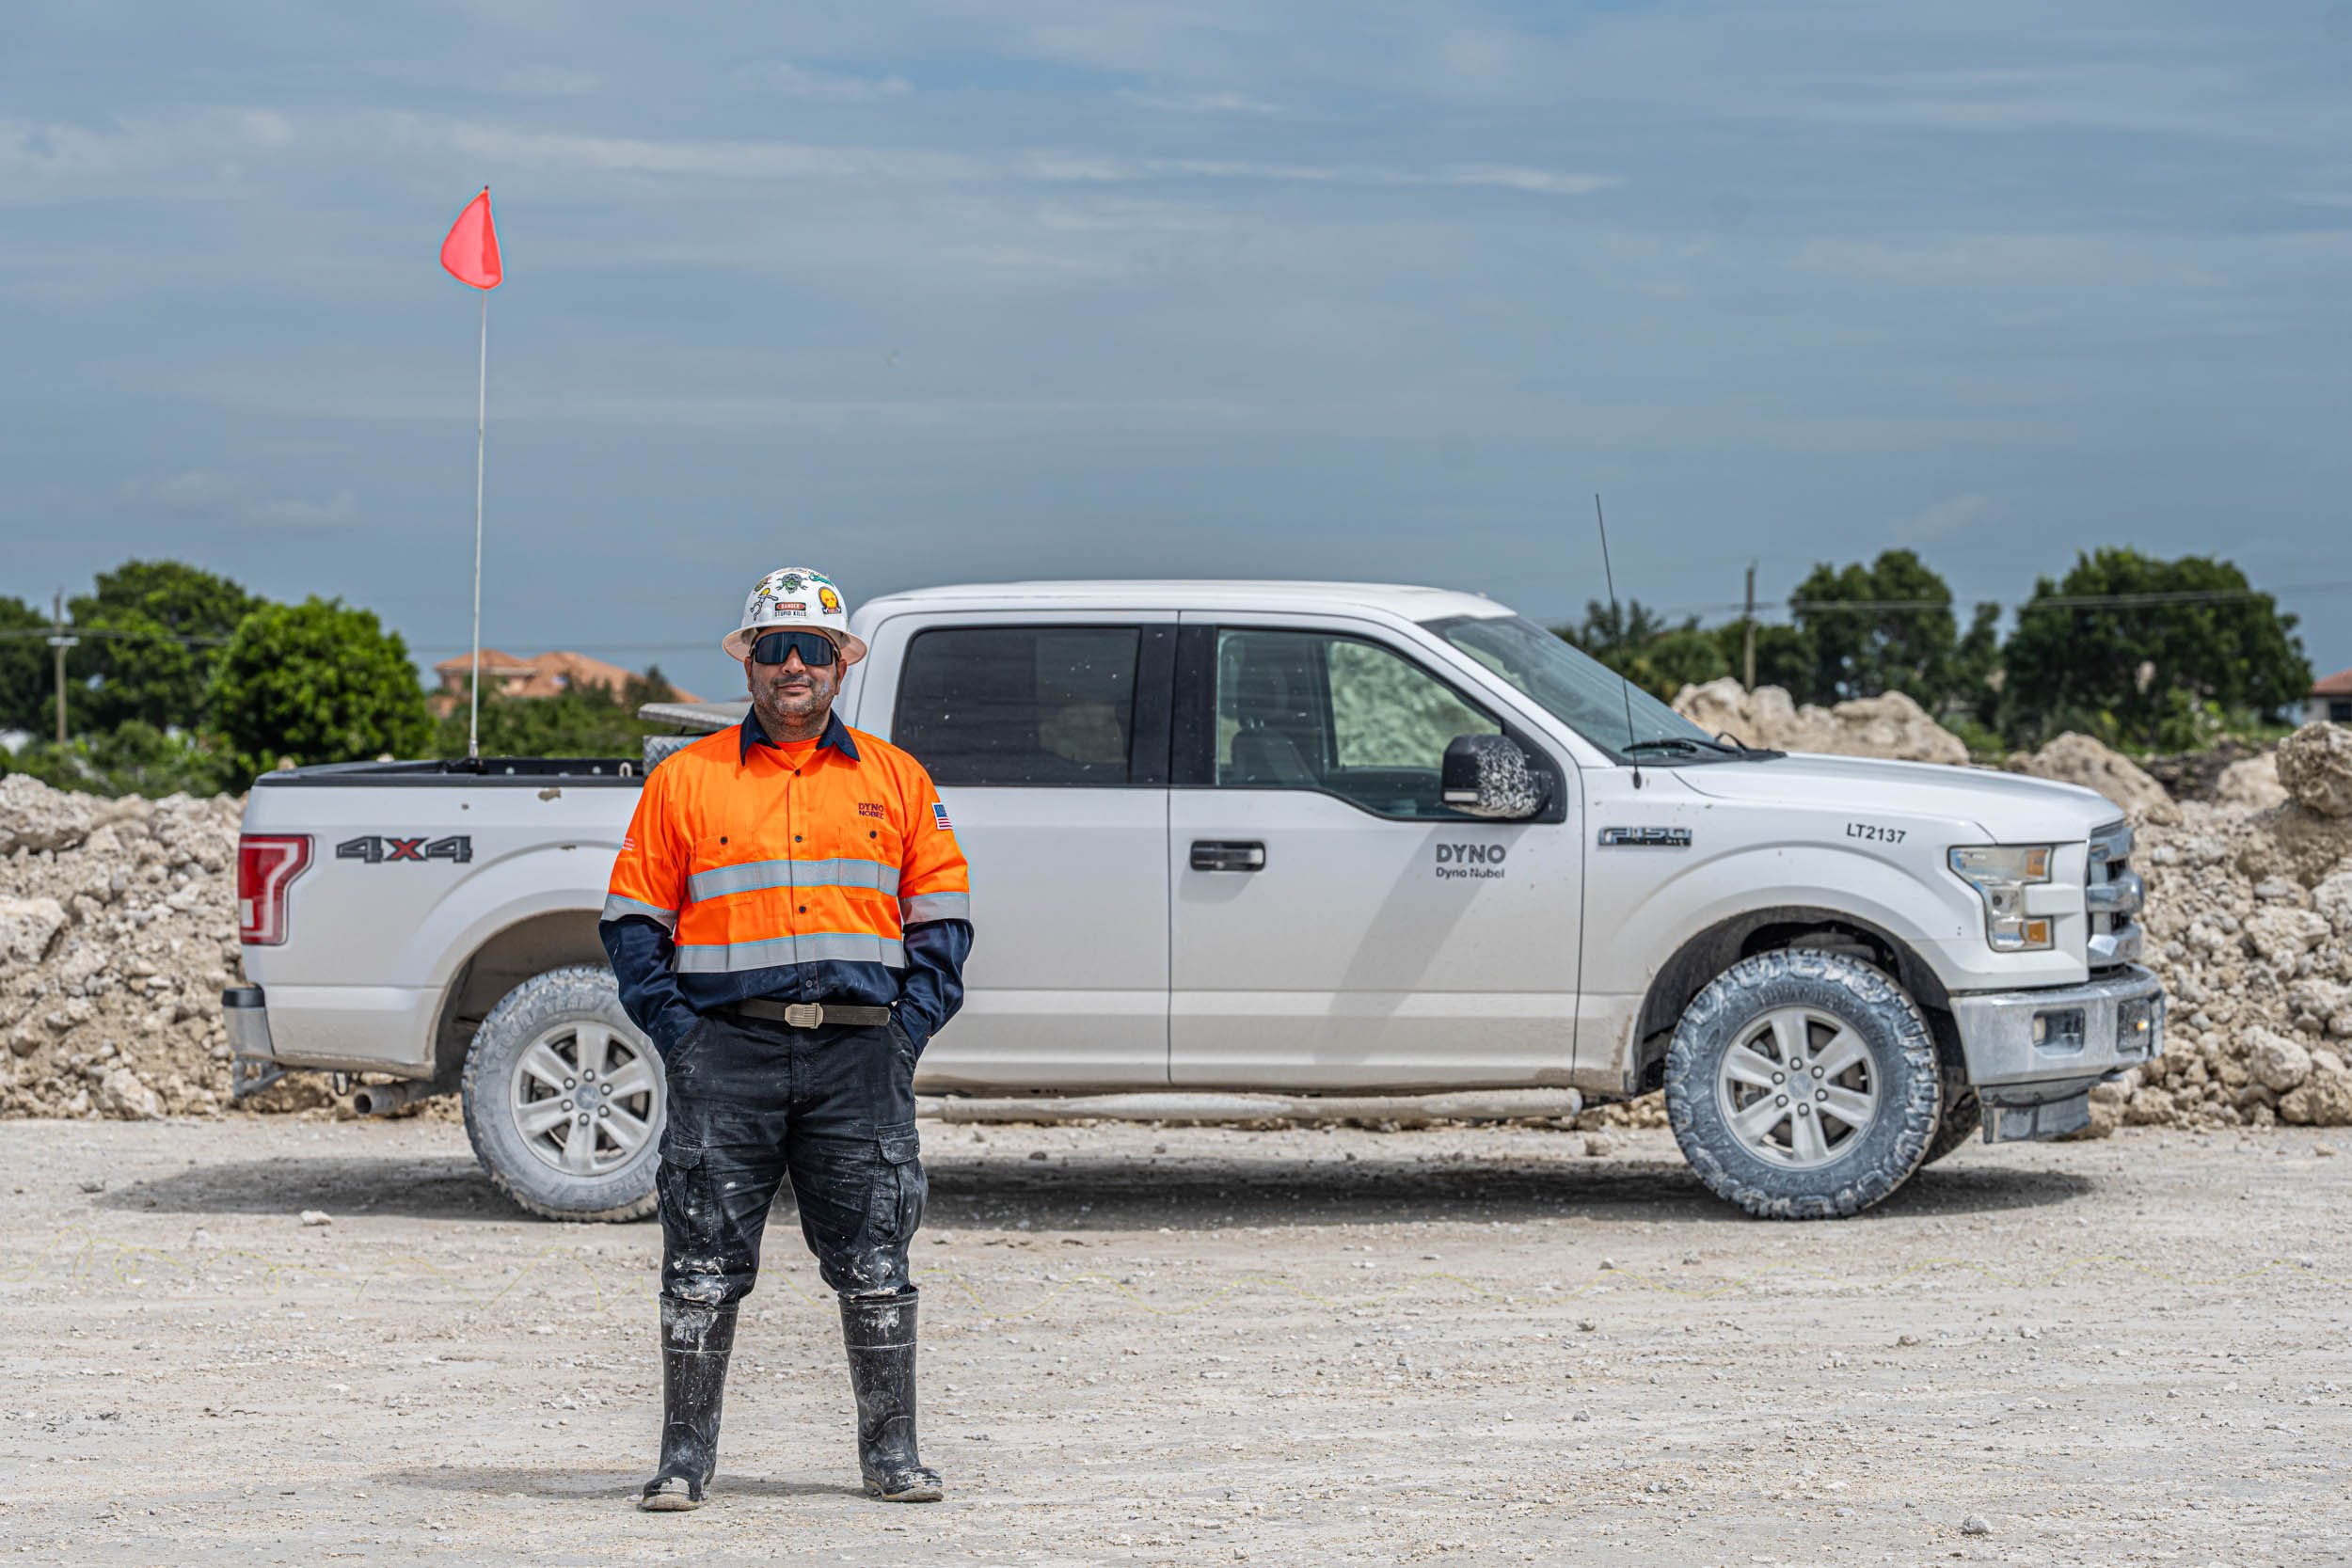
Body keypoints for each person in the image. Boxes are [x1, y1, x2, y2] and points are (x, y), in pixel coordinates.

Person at [599, 567, 972, 1511]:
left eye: (813, 648)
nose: (794, 665)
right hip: (726, 1052)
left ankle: (892, 1457)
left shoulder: (896, 779)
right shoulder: (686, 780)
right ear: (750, 663)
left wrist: (904, 1033)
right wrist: (682, 1036)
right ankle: (683, 1461)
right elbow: (632, 923)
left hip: (861, 1055)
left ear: (841, 664)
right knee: (700, 1265)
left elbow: (943, 920)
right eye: (776, 648)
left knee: (876, 1262)